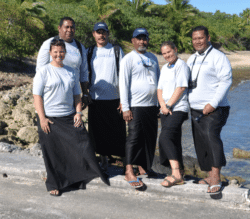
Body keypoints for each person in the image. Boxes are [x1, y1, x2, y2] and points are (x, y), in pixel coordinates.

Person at [33, 38, 109, 196]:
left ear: (65, 53)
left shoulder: (70, 71)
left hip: (68, 116)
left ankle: (80, 175)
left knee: (83, 142)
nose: (58, 54)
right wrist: (42, 118)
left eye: (61, 51)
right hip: (50, 118)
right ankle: (54, 183)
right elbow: (37, 97)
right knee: (52, 152)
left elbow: (76, 96)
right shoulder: (43, 71)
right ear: (50, 53)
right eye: (55, 52)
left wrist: (79, 113)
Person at [187, 26, 232, 195]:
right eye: (194, 39)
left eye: (200, 38)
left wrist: (213, 103)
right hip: (195, 108)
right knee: (201, 143)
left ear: (208, 37)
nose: (197, 41)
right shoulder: (191, 59)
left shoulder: (218, 57)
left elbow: (226, 81)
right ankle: (208, 175)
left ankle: (216, 178)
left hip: (215, 108)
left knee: (212, 138)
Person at [119, 28, 160, 188]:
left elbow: (159, 81)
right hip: (135, 105)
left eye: (145, 38)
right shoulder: (128, 59)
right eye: (139, 38)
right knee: (134, 138)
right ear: (133, 41)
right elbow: (123, 84)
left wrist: (159, 104)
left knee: (149, 138)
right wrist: (125, 107)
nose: (142, 41)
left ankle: (144, 167)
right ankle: (129, 170)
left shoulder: (153, 58)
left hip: (152, 106)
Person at [86, 22, 126, 170]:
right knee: (97, 132)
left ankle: (122, 159)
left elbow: (123, 75)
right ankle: (103, 160)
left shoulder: (116, 50)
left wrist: (124, 99)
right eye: (98, 32)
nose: (101, 35)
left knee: (118, 130)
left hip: (115, 97)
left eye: (104, 32)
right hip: (95, 98)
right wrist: (85, 93)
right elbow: (84, 74)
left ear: (108, 34)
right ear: (93, 34)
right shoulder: (89, 51)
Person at [36, 17, 91, 108]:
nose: (69, 30)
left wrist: (85, 94)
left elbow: (83, 73)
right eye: (67, 27)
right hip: (51, 97)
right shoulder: (48, 44)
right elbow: (40, 72)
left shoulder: (80, 47)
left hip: (73, 97)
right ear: (59, 28)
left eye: (72, 27)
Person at [157, 41, 190, 187]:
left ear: (175, 50)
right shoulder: (164, 68)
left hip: (178, 108)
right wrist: (163, 105)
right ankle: (180, 173)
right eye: (164, 53)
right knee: (174, 139)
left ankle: (175, 174)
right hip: (165, 109)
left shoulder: (181, 65)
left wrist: (169, 104)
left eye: (169, 52)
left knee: (165, 137)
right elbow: (159, 89)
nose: (167, 55)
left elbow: (181, 87)